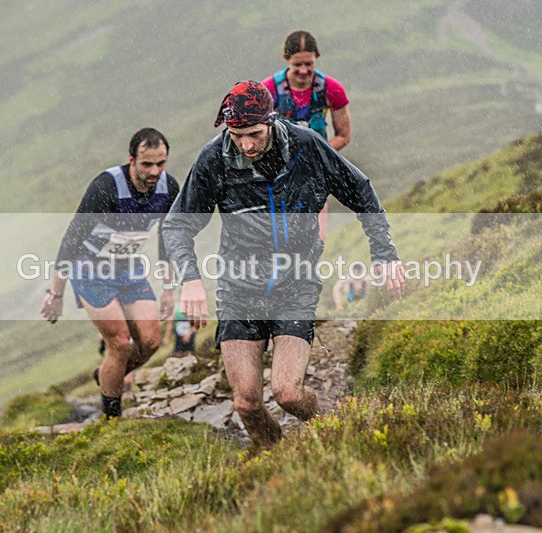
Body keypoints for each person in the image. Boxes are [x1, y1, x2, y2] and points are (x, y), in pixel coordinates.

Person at [162, 81, 404, 447]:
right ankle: (274, 459)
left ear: (271, 121)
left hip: (295, 285)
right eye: (237, 135)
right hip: (239, 290)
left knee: (288, 393)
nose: (246, 145)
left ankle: (333, 432)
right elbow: (177, 225)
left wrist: (384, 255)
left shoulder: (307, 146)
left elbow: (362, 193)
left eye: (254, 135)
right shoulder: (215, 158)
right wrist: (190, 280)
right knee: (246, 403)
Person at [40, 128, 179, 418]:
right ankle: (112, 419)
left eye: (161, 163)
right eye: (147, 164)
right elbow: (72, 239)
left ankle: (106, 375)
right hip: (90, 269)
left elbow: (168, 239)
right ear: (131, 159)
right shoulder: (107, 187)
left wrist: (168, 288)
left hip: (129, 269)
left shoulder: (168, 188)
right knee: (120, 343)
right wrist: (56, 294)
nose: (155, 171)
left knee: (150, 342)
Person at [263, 31, 352, 240]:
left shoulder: (332, 90)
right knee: (277, 237)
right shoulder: (268, 91)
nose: (304, 70)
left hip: (314, 173)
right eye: (297, 65)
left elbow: (344, 135)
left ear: (316, 58)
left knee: (316, 239)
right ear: (287, 60)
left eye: (309, 64)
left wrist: (314, 154)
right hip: (277, 173)